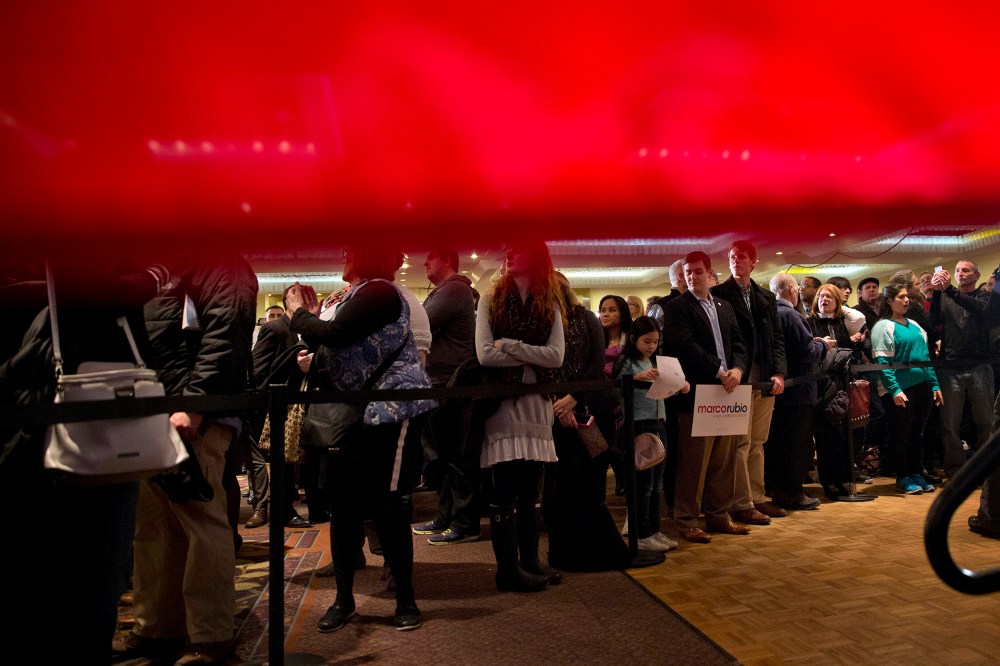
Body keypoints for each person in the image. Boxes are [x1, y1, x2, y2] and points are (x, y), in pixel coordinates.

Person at [1, 255, 159, 665]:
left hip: (61, 420)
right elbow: (99, 284)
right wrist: (152, 275)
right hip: (67, 424)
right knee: (84, 583)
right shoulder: (81, 253)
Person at [116, 251, 258, 665]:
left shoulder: (220, 260)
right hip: (152, 403)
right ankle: (158, 626)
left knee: (200, 519)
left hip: (194, 412)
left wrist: (195, 405)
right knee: (155, 525)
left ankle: (210, 635)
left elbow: (225, 334)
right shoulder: (163, 262)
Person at [286, 245, 436, 632]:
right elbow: (331, 345)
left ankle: (406, 600)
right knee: (345, 506)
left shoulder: (381, 291)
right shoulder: (351, 295)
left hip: (390, 411)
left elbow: (335, 334)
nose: (343, 255)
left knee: (388, 505)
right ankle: (344, 600)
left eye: (350, 248)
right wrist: (311, 332)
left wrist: (298, 313)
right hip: (355, 413)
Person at [476, 240, 565, 592]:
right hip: (503, 406)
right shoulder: (489, 299)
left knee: (531, 491)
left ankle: (529, 561)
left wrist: (510, 346)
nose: (509, 255)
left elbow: (557, 356)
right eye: (507, 250)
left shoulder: (550, 302)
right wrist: (533, 355)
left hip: (537, 406)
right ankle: (507, 570)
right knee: (505, 490)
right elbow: (484, 355)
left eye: (518, 249)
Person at [663, 251, 749, 544]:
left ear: (710, 273)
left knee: (723, 459)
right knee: (693, 462)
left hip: (728, 390)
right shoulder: (677, 307)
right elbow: (685, 346)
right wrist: (718, 371)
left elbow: (739, 342)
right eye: (688, 272)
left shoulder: (725, 306)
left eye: (698, 271)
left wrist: (737, 369)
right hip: (697, 392)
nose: (692, 276)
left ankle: (718, 515)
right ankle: (687, 520)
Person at [546, 272, 629, 571]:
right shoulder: (544, 319)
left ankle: (587, 549)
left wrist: (573, 398)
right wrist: (560, 402)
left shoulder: (587, 319)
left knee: (588, 480)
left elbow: (596, 363)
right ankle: (562, 551)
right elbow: (546, 363)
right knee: (560, 482)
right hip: (554, 412)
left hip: (588, 409)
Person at [711, 239, 787, 524]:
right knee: (740, 444)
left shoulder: (765, 296)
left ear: (753, 261)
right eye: (732, 256)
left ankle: (757, 497)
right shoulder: (718, 293)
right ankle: (741, 502)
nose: (736, 260)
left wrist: (779, 373)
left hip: (764, 376)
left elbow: (777, 338)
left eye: (741, 256)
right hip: (736, 377)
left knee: (758, 441)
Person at [411, 246, 480, 545]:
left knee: (456, 456)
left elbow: (421, 324)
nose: (425, 261)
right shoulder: (445, 290)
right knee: (441, 458)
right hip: (440, 382)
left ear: (448, 260)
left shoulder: (455, 289)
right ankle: (445, 518)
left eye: (431, 257)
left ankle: (465, 524)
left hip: (450, 383)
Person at [613, 316, 688, 552]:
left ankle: (654, 530)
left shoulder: (652, 361)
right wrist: (636, 378)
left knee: (657, 484)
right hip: (639, 424)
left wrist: (678, 384)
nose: (651, 346)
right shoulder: (626, 361)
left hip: (658, 422)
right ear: (634, 339)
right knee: (644, 484)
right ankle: (641, 533)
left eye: (655, 342)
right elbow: (616, 387)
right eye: (647, 341)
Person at [246, 292, 312, 529]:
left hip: (290, 403)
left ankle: (285, 509)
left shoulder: (298, 328)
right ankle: (282, 512)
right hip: (275, 406)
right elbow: (259, 371)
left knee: (287, 463)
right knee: (279, 463)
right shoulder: (275, 328)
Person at [870, 282, 943, 495]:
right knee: (901, 434)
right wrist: (894, 389)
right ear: (889, 301)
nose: (905, 300)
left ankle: (915, 470)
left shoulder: (915, 324)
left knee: (916, 434)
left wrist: (935, 384)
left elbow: (926, 358)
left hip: (922, 387)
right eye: (900, 297)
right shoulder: (883, 326)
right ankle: (902, 475)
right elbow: (882, 361)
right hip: (902, 389)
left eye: (906, 297)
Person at [929, 259, 994, 481]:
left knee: (985, 421)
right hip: (951, 366)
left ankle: (987, 470)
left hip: (979, 365)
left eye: (965, 270)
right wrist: (938, 293)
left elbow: (982, 312)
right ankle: (955, 470)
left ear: (976, 275)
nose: (960, 274)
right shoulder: (946, 297)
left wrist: (951, 291)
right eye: (957, 271)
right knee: (950, 422)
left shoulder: (985, 296)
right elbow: (934, 322)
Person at [766, 273, 826, 510]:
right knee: (797, 445)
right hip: (799, 390)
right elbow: (808, 352)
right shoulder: (791, 315)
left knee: (778, 444)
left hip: (777, 392)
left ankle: (776, 489)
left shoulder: (769, 315)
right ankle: (793, 493)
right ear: (792, 289)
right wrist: (823, 344)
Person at [808, 284, 864, 500]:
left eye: (830, 296)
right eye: (821, 296)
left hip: (842, 383)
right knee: (825, 435)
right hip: (821, 386)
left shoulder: (842, 322)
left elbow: (858, 318)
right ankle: (829, 481)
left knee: (844, 434)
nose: (824, 299)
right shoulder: (810, 322)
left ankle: (844, 479)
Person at [599, 294, 632, 495]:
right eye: (603, 310)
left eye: (612, 309)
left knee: (622, 439)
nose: (606, 314)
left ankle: (625, 479)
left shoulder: (629, 337)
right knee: (605, 440)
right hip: (601, 396)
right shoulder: (597, 336)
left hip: (622, 394)